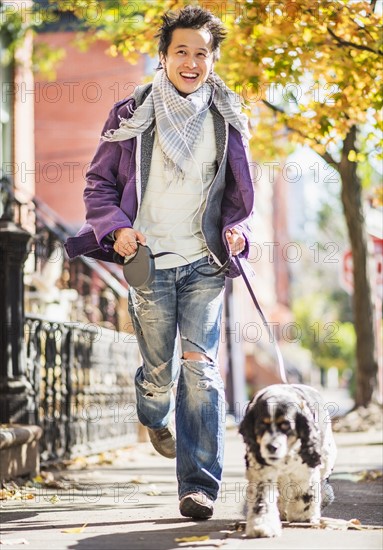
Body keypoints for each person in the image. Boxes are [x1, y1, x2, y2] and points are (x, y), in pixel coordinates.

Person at [65, 5, 254, 520]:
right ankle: (154, 412)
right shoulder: (132, 114)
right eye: (181, 52)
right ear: (164, 57)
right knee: (159, 371)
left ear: (212, 59)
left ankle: (199, 487)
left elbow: (240, 200)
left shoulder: (228, 118)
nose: (191, 62)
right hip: (148, 261)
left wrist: (238, 232)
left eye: (201, 53)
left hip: (204, 263)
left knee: (201, 372)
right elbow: (98, 184)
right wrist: (116, 229)